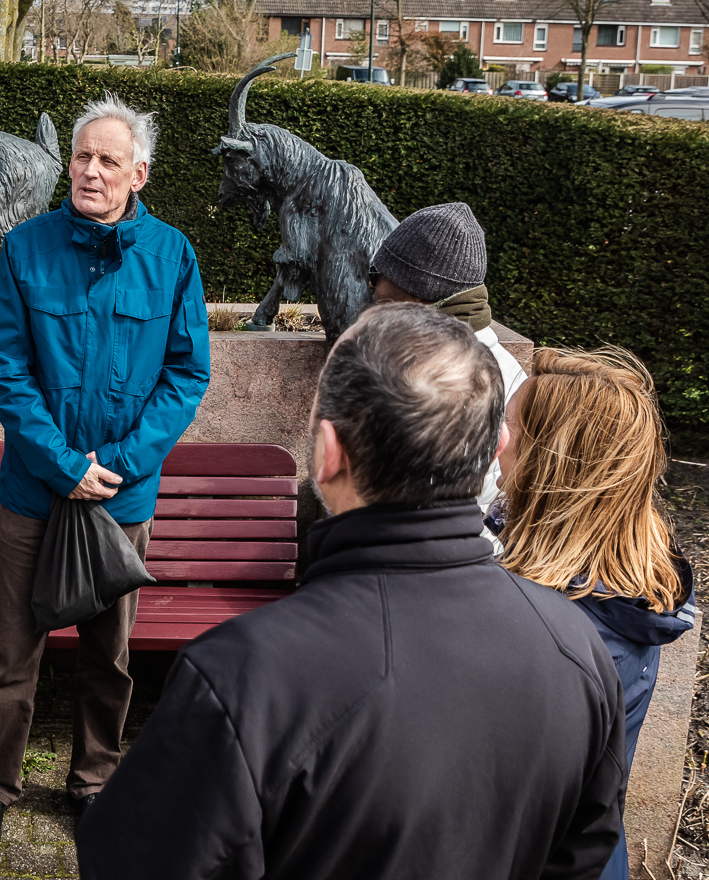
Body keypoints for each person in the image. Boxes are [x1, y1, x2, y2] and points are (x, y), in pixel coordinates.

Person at [77, 304, 626, 880]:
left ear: (328, 450)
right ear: (494, 449)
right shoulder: (576, 647)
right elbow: (585, 853)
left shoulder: (244, 675)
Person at [0, 94, 213, 851]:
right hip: (35, 491)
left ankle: (94, 781)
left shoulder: (172, 256)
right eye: (82, 157)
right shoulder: (27, 247)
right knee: (13, 653)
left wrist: (122, 464)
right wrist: (64, 464)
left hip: (121, 501)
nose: (90, 171)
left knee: (109, 655)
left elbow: (186, 373)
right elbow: (7, 369)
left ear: (140, 172)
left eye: (108, 160)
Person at [495, 347, 698, 880]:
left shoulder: (550, 636)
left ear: (550, 466)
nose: (496, 444)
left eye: (510, 428)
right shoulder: (626, 589)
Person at [368, 201, 527, 511]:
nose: (372, 288)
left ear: (413, 291)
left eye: (376, 274)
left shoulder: (440, 379)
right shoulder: (504, 367)